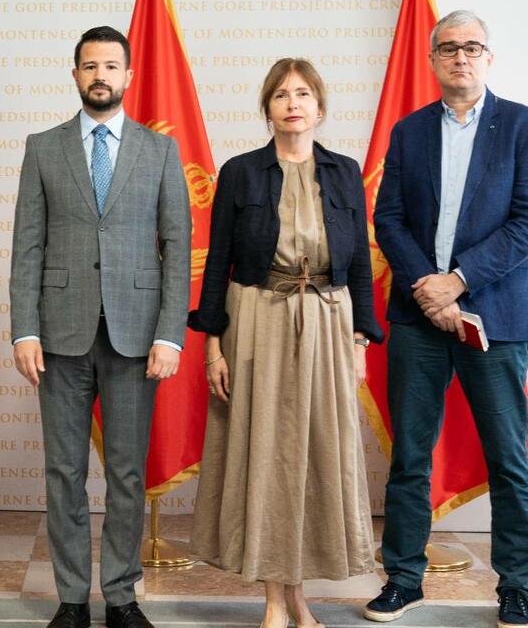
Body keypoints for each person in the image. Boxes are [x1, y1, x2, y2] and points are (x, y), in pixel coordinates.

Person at [367, 11, 528, 628]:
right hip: (419, 314)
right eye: (448, 48)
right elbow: (389, 218)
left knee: (508, 458)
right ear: (432, 61)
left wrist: (459, 281)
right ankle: (403, 579)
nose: (460, 57)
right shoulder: (409, 131)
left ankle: (516, 585)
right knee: (410, 456)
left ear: (488, 58)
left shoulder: (527, 127)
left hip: (495, 317)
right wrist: (430, 287)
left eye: (472, 47)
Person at [187, 58, 381, 628]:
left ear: (319, 107)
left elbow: (360, 265)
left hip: (328, 321)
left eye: (303, 94)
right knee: (268, 453)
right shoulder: (241, 172)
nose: (293, 103)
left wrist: (361, 342)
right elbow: (218, 262)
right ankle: (276, 599)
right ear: (267, 109)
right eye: (281, 95)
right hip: (257, 318)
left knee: (315, 454)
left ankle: (296, 596)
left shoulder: (345, 172)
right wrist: (213, 347)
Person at [10, 26, 191, 628]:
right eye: (90, 66)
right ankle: (70, 597)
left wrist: (169, 334)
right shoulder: (43, 147)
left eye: (111, 66)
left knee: (127, 473)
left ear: (128, 75)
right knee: (63, 471)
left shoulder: (160, 151)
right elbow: (27, 245)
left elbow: (177, 246)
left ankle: (120, 595)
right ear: (75, 74)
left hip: (136, 337)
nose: (100, 76)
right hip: (59, 334)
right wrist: (24, 330)